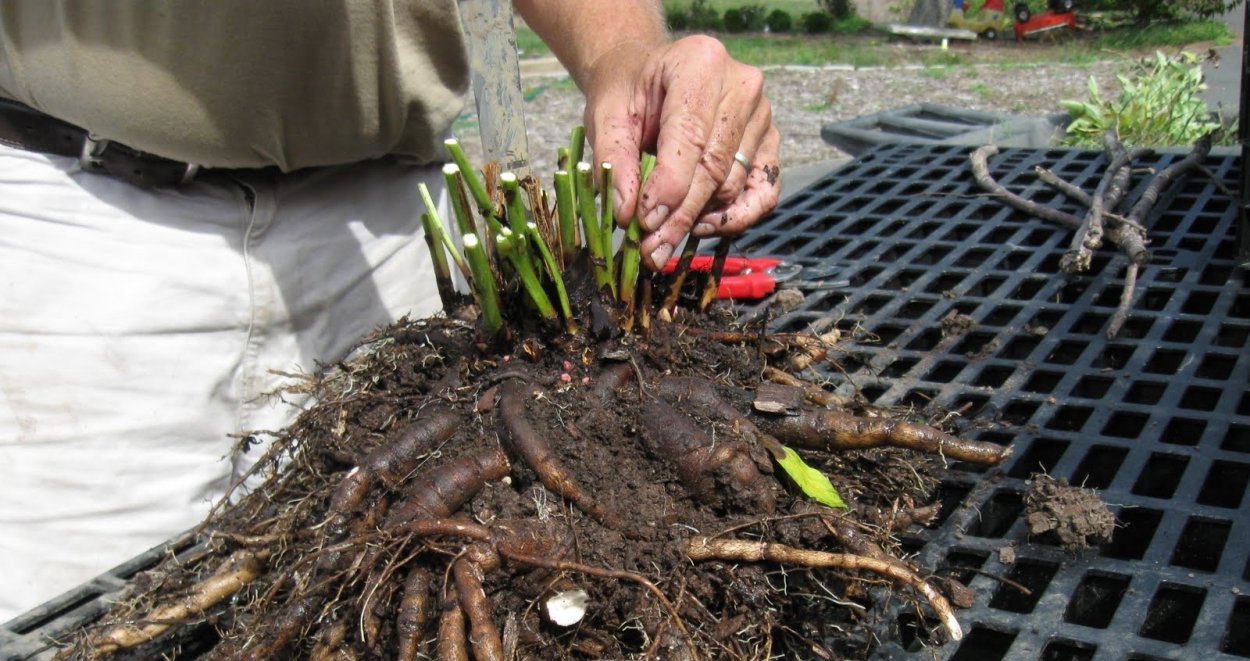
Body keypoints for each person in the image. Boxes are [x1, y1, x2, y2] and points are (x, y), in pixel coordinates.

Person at [0, 0, 780, 622]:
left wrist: (619, 47)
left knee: (373, 591)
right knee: (78, 634)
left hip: (384, 217)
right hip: (79, 218)